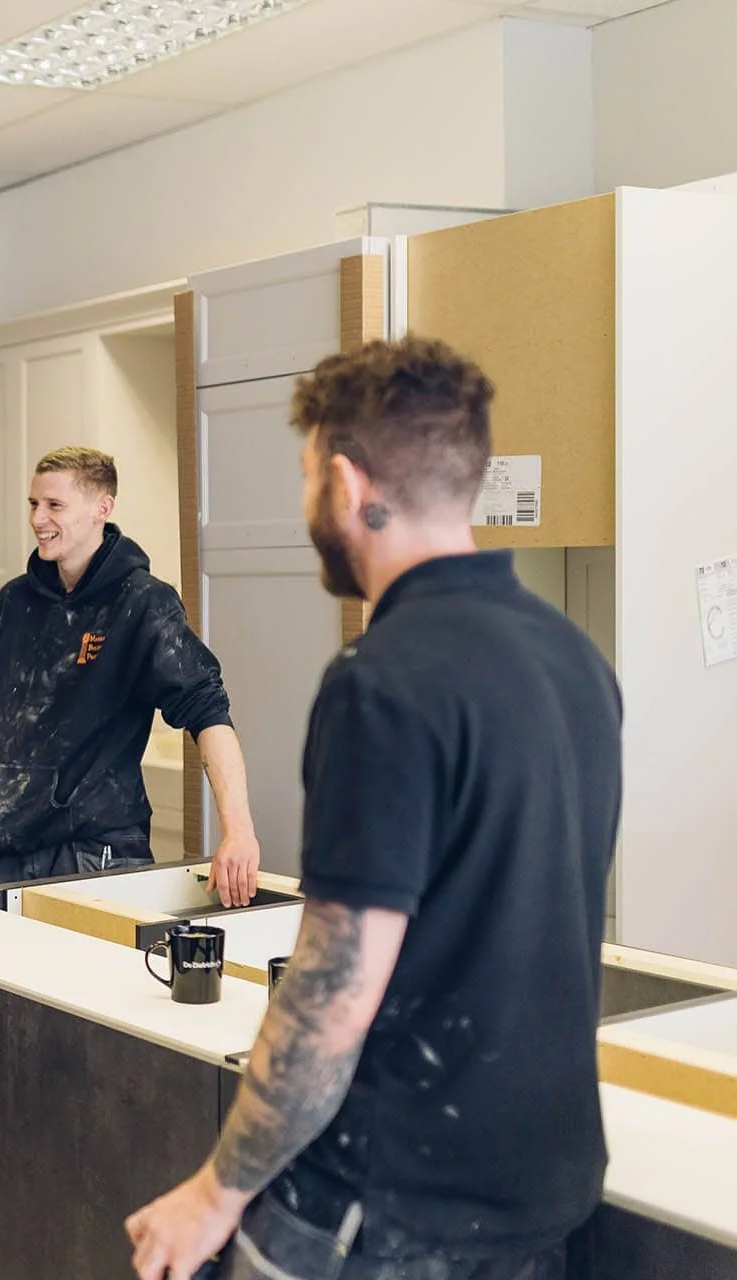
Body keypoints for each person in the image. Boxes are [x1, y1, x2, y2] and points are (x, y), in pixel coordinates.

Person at [125, 336, 621, 1280]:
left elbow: (331, 996)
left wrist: (214, 1195)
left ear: (348, 486)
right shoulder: (576, 661)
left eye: (309, 476)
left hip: (382, 1212)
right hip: (539, 1197)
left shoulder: (380, 684)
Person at [0, 446, 260, 905]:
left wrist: (237, 831)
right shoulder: (12, 602)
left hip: (89, 858)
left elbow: (208, 712)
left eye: (54, 505)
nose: (38, 518)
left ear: (102, 508)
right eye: (33, 504)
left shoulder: (142, 603)